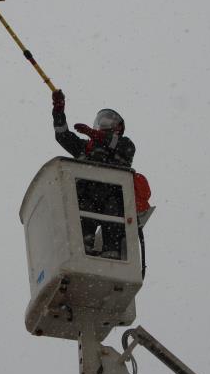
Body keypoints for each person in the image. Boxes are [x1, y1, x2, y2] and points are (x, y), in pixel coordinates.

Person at [52, 90, 152, 275]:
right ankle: (85, 245)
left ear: (118, 127)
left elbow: (116, 144)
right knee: (83, 206)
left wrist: (93, 134)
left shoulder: (125, 145)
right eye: (103, 120)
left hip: (112, 200)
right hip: (88, 198)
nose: (104, 124)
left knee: (113, 210)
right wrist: (58, 110)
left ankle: (111, 250)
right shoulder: (86, 148)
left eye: (110, 121)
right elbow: (62, 135)